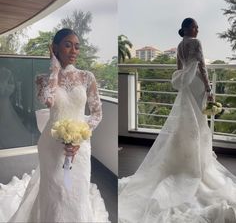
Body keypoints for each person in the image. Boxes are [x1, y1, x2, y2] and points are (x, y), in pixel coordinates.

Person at [118, 18, 236, 222]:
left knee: (186, 123)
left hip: (186, 88)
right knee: (198, 123)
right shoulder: (196, 43)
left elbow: (179, 68)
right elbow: (202, 67)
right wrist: (208, 89)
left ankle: (183, 156)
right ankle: (195, 161)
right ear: (187, 28)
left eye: (198, 26)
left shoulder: (181, 45)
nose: (198, 29)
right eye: (195, 26)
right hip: (197, 85)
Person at [5, 28, 109, 222]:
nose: (74, 51)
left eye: (77, 47)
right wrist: (54, 69)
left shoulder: (87, 77)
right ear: (55, 48)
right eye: (68, 45)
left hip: (80, 144)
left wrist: (79, 137)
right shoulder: (43, 79)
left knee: (74, 192)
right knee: (55, 192)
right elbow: (49, 100)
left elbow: (97, 113)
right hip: (51, 144)